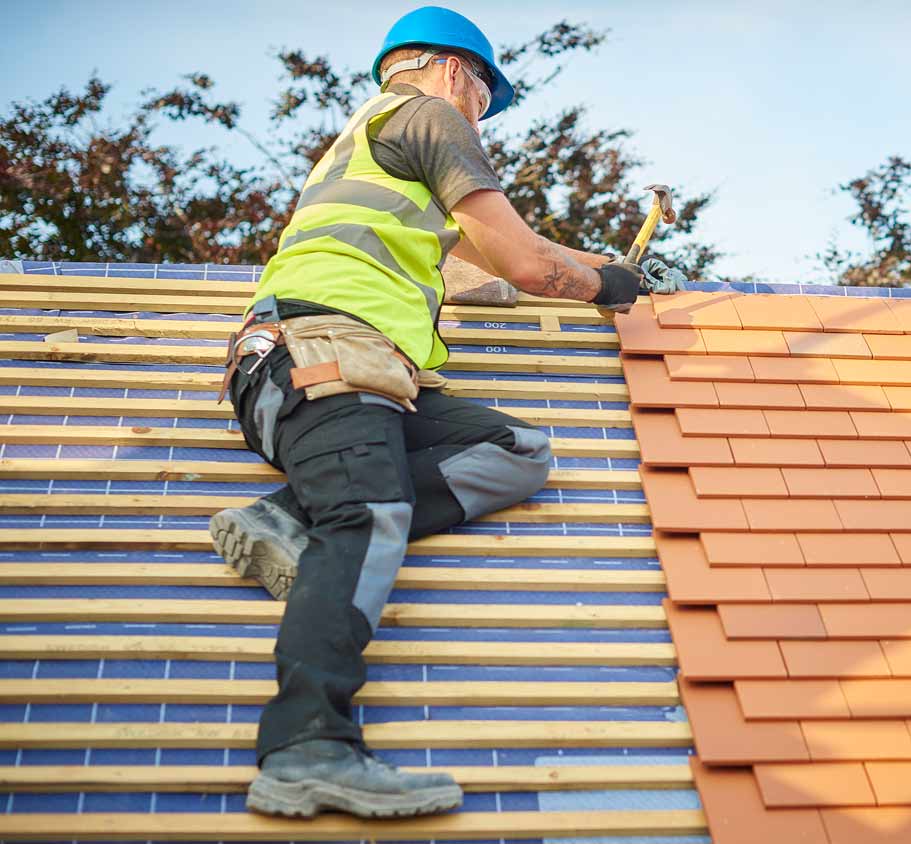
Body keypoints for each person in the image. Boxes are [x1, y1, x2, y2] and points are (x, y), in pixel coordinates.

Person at [208, 6, 681, 819]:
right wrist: (610, 288)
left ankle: (289, 517)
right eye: (484, 97)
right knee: (368, 514)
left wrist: (600, 268)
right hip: (322, 354)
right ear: (452, 68)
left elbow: (489, 263)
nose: (481, 116)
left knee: (516, 451)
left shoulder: (379, 145)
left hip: (354, 370)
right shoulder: (429, 115)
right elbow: (528, 263)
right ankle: (306, 745)